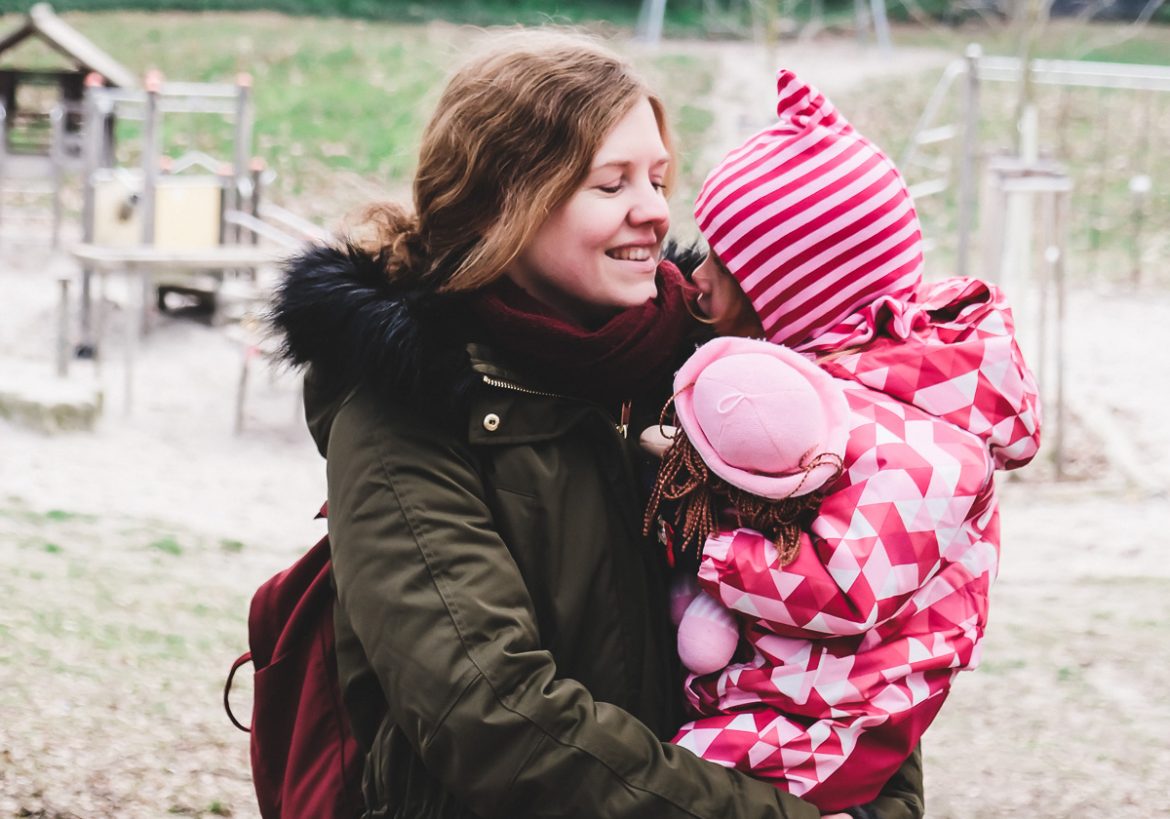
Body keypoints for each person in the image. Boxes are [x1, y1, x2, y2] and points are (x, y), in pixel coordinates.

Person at [272, 31, 924, 819]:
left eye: (657, 177)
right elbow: (494, 718)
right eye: (610, 185)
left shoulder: (723, 376)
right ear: (502, 202)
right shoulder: (404, 408)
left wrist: (876, 806)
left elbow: (858, 619)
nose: (654, 211)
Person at [642, 69, 1042, 816]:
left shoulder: (913, 440)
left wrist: (711, 544)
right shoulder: (857, 386)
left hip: (841, 722)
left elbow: (845, 586)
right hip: (807, 691)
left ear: (793, 295)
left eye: (721, 267)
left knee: (657, 790)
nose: (697, 280)